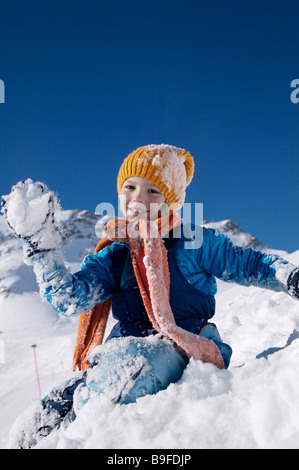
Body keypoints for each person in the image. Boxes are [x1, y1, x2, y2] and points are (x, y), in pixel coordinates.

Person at [2, 144, 299, 448]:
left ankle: (81, 431)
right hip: (119, 352)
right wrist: (41, 248)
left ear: (172, 200)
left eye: (153, 191)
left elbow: (249, 264)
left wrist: (288, 276)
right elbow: (70, 298)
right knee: (30, 430)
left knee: (123, 374)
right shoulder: (116, 253)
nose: (138, 199)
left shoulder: (194, 242)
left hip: (183, 344)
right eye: (130, 187)